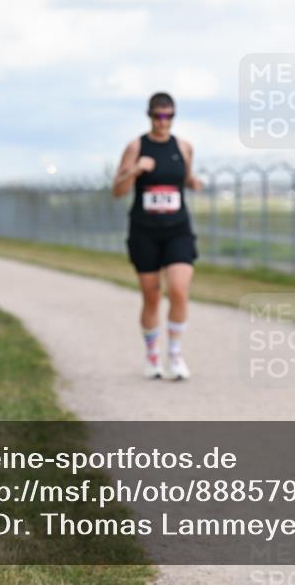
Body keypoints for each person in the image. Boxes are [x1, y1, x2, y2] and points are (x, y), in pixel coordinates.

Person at [112, 92, 204, 381]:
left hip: (177, 229)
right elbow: (117, 191)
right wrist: (136, 171)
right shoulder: (136, 147)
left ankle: (175, 354)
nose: (163, 122)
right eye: (158, 116)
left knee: (178, 290)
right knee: (152, 296)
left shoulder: (185, 147)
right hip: (145, 231)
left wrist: (193, 182)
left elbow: (185, 178)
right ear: (149, 116)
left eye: (169, 116)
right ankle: (153, 355)